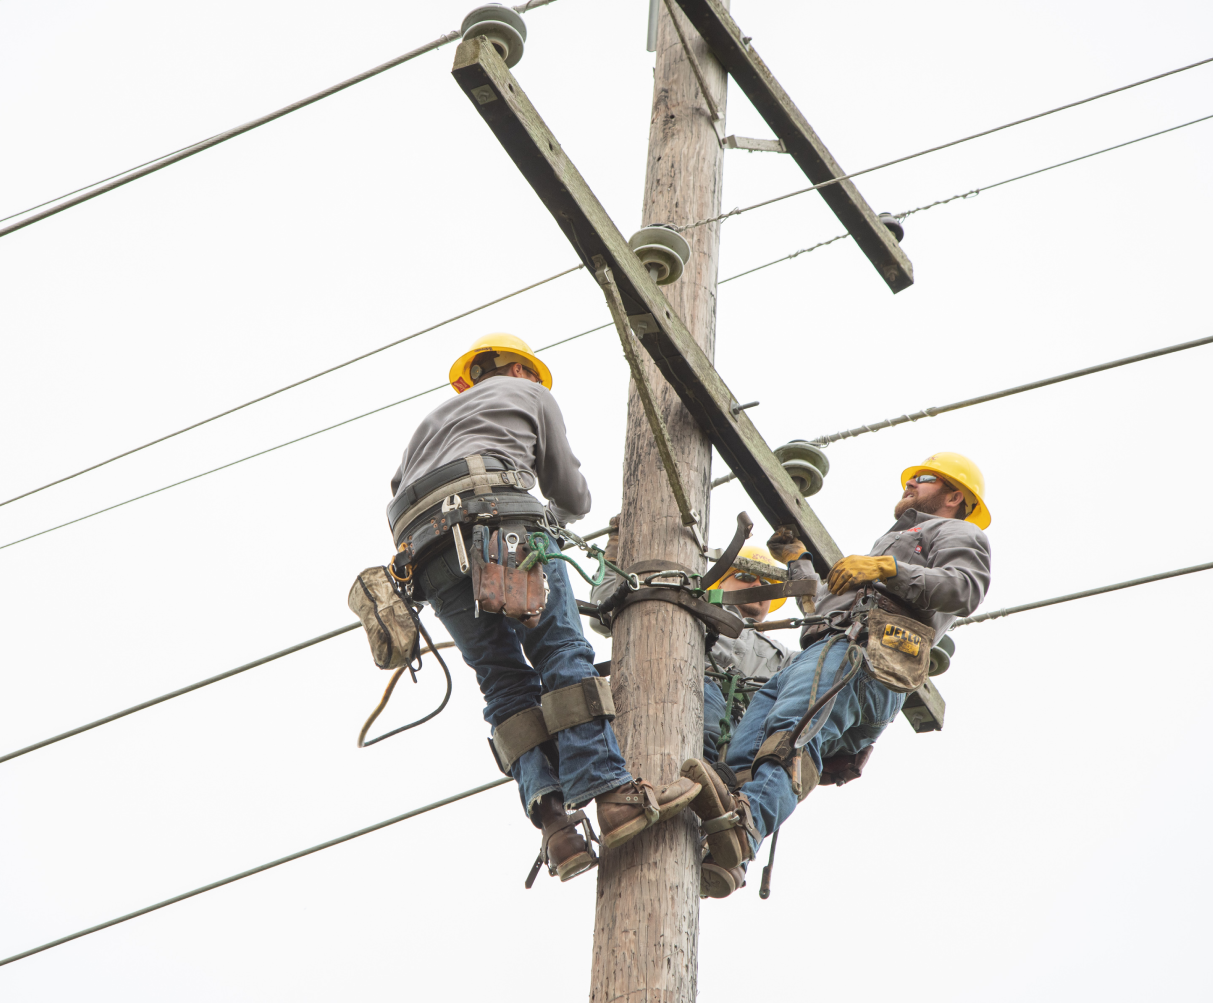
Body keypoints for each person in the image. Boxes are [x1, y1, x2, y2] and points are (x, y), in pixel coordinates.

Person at [387, 333, 697, 886]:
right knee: (560, 653)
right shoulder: (531, 396)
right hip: (503, 525)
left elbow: (397, 492)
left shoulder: (428, 423)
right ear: (520, 370)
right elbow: (574, 497)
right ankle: (613, 796)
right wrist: (550, 516)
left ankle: (558, 830)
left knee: (503, 683)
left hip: (427, 555)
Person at [679, 452, 994, 898]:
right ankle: (728, 851)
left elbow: (964, 588)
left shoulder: (958, 532)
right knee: (743, 755)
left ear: (954, 496)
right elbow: (829, 605)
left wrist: (887, 568)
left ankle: (745, 831)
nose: (908, 485)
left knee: (790, 737)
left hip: (865, 656)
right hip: (826, 650)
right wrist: (799, 564)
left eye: (921, 479)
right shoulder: (894, 538)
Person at [588, 529, 794, 762]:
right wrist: (616, 554)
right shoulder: (688, 604)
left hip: (742, 749)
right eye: (745, 577)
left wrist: (802, 567)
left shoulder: (783, 657)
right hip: (665, 712)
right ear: (720, 583)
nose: (757, 584)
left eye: (766, 581)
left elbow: (827, 663)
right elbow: (605, 609)